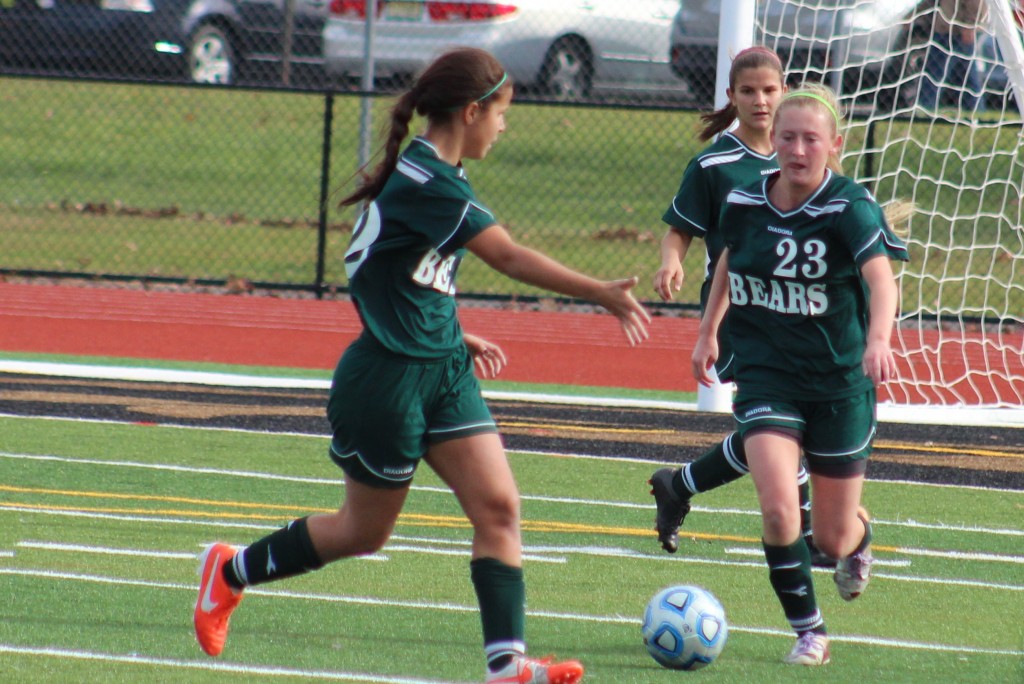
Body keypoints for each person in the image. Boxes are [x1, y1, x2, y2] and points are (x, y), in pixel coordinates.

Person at [192, 47, 651, 684]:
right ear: (471, 111)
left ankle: (506, 666)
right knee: (362, 533)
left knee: (498, 508)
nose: (504, 126)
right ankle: (230, 570)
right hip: (387, 382)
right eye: (502, 114)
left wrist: (451, 335)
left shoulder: (434, 178)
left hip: (441, 371)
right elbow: (510, 258)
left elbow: (391, 272)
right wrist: (599, 290)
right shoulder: (427, 181)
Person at [691, 83, 909, 665]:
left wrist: (879, 339)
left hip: (839, 385)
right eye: (787, 137)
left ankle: (857, 538)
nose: (797, 148)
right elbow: (727, 262)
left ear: (833, 145)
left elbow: (882, 280)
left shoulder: (848, 206)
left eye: (811, 138)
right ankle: (809, 630)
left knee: (831, 538)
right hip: (769, 375)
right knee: (778, 505)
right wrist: (709, 330)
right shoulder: (743, 202)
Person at [648, 46, 832, 567]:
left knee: (773, 425)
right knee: (775, 423)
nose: (760, 100)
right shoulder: (715, 163)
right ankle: (808, 531)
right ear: (730, 96)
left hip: (795, 309)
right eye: (748, 91)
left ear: (785, 91)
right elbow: (679, 230)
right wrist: (671, 263)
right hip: (737, 312)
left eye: (770, 90)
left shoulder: (799, 155)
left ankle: (678, 484)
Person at [919, 0, 989, 110]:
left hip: (957, 31)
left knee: (935, 72)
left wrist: (970, 26)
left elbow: (976, 4)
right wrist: (912, 16)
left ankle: (926, 106)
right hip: (947, 29)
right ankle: (976, 108)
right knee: (966, 74)